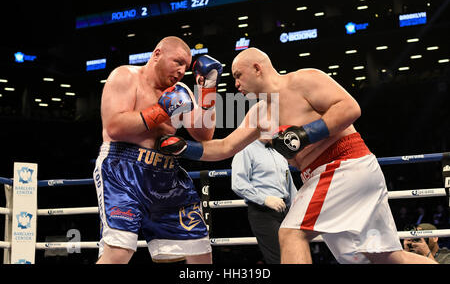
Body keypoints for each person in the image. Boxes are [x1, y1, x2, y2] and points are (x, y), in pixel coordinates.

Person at [156, 47, 437, 264]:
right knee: (385, 257)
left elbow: (350, 108)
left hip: (343, 165)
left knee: (291, 233)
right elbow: (225, 147)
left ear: (257, 67)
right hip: (327, 174)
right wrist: (184, 148)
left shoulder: (304, 80)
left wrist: (305, 134)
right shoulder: (258, 113)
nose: (236, 84)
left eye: (239, 75)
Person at [93, 36, 223, 264]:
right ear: (157, 54)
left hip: (166, 175)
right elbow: (114, 127)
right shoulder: (126, 76)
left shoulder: (181, 91)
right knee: (118, 252)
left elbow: (204, 135)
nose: (182, 70)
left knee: (200, 252)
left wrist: (208, 90)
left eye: (186, 66)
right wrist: (161, 111)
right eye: (178, 62)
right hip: (123, 168)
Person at [231, 138, 297, 264]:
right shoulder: (245, 149)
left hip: (286, 211)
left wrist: (298, 207)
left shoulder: (279, 152)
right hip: (262, 211)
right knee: (279, 258)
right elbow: (238, 184)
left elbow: (289, 184)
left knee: (294, 256)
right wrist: (264, 199)